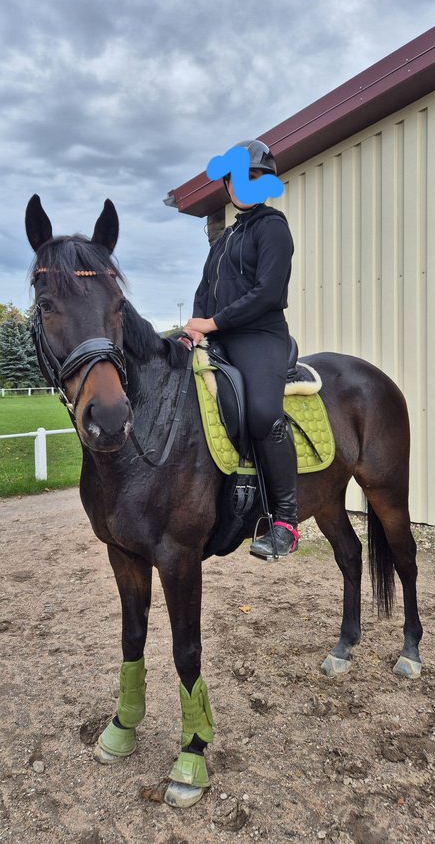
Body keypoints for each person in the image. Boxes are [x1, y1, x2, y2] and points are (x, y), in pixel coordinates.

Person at [183, 139, 299, 561]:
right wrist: (194, 330)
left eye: (255, 177)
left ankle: (285, 521)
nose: (245, 185)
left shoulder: (274, 228)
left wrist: (213, 323)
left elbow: (268, 292)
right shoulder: (223, 239)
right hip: (217, 338)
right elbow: (203, 293)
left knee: (263, 414)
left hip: (259, 336)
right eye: (239, 178)